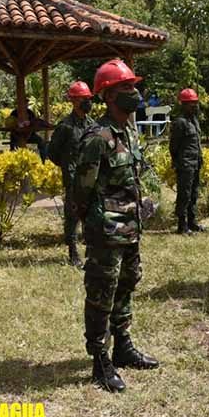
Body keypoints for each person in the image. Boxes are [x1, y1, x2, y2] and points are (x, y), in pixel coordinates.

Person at [71, 59, 159, 392]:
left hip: (130, 228)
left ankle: (122, 345)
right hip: (106, 230)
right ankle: (99, 359)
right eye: (125, 87)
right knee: (101, 294)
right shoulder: (98, 137)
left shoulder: (130, 132)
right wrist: (90, 226)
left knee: (127, 283)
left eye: (133, 86)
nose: (133, 92)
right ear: (107, 95)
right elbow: (81, 189)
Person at [48, 81, 96, 266]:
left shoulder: (92, 124)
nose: (88, 102)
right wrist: (68, 167)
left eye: (89, 99)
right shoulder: (66, 126)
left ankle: (91, 250)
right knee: (73, 216)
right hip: (74, 178)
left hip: (91, 177)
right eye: (84, 99)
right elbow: (52, 153)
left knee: (92, 215)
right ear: (74, 101)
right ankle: (73, 252)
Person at [169, 88, 205, 235]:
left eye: (195, 103)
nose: (194, 106)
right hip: (185, 164)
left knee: (194, 193)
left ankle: (192, 222)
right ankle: (182, 225)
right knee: (184, 194)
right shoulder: (180, 123)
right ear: (183, 105)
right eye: (190, 104)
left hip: (195, 163)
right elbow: (173, 146)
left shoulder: (194, 121)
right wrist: (178, 162)